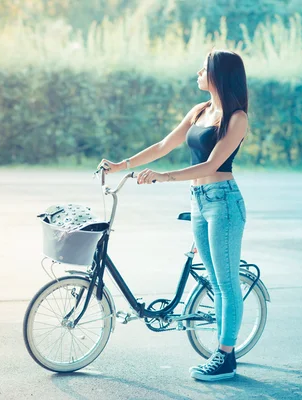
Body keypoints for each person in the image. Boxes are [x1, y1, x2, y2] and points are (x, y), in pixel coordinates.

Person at [97, 49, 248, 382]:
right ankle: (223, 352)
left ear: (219, 75)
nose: (198, 71)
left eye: (204, 67)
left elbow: (212, 165)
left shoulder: (236, 118)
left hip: (223, 202)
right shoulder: (200, 111)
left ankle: (225, 357)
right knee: (214, 281)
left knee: (225, 284)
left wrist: (163, 177)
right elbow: (164, 145)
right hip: (198, 200)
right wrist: (122, 165)